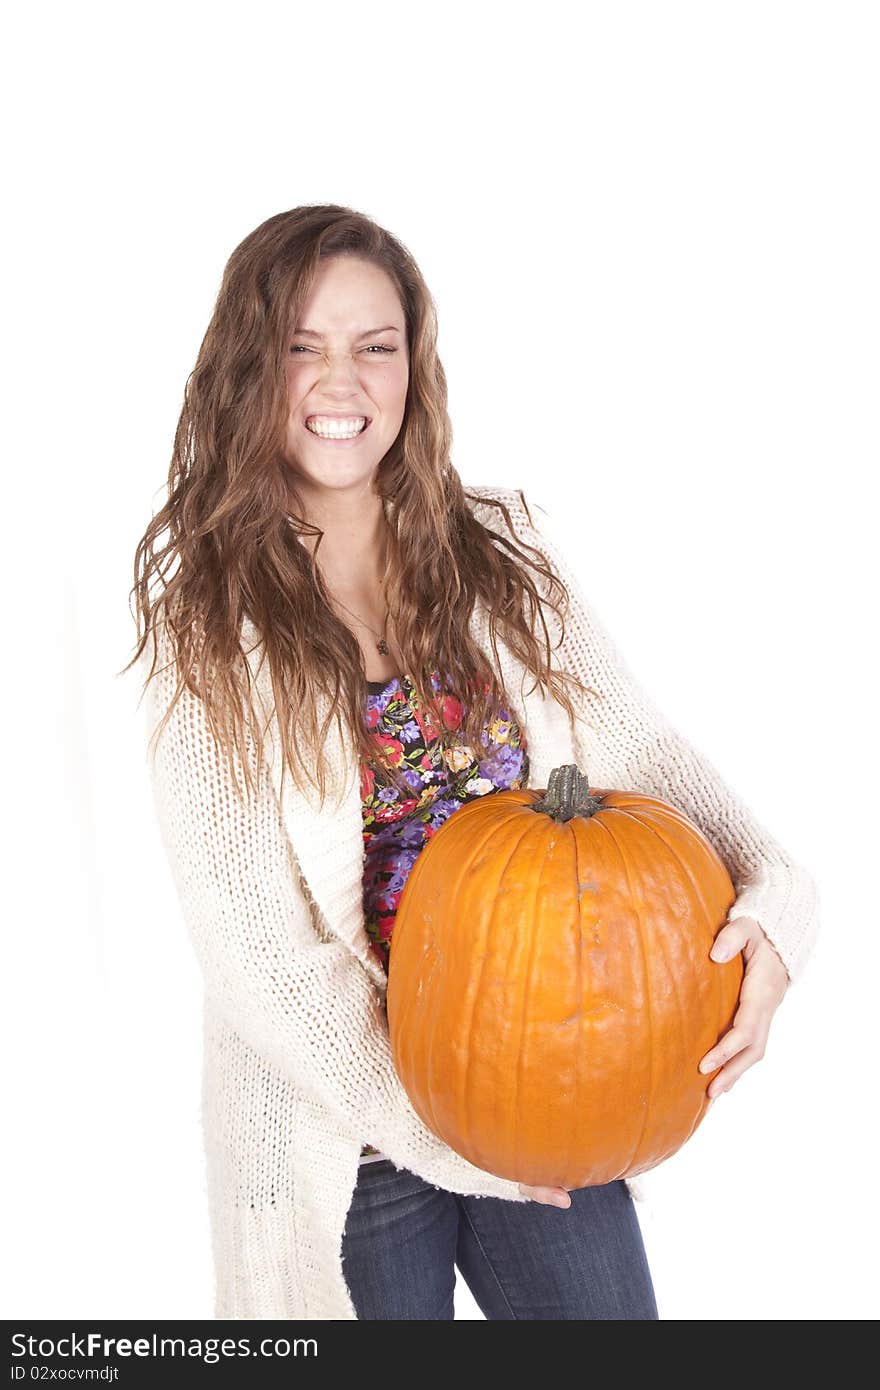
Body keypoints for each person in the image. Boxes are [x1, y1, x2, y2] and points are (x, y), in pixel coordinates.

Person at [128, 204, 819, 1320]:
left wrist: (779, 904)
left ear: (414, 364)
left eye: (375, 344)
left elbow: (639, 752)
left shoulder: (498, 546)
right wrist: (445, 1133)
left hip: (541, 1084)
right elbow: (258, 952)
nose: (341, 379)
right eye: (302, 344)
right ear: (249, 369)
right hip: (343, 1134)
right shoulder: (204, 620)